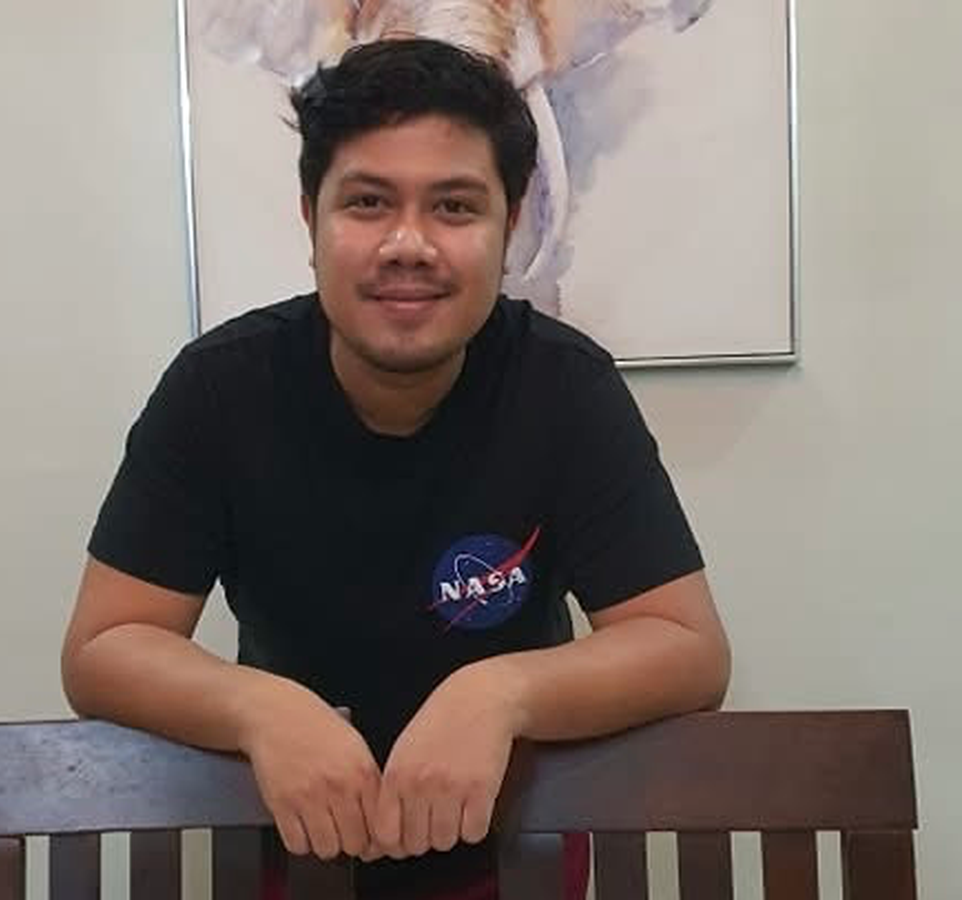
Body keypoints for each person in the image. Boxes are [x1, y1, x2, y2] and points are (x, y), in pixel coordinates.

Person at [61, 38, 730, 899]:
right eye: (368, 202)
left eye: (454, 207)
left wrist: (501, 693)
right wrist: (258, 705)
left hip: (518, 844)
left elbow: (687, 649)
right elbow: (104, 647)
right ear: (310, 219)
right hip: (301, 844)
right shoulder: (218, 388)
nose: (408, 244)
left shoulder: (565, 388)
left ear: (510, 226)